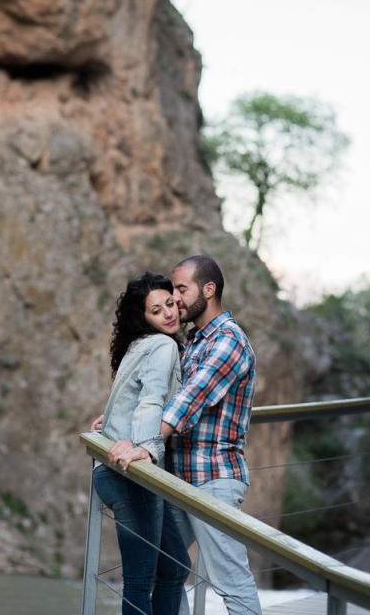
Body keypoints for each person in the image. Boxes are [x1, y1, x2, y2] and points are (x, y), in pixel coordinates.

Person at [159, 255, 262, 615]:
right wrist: (115, 425)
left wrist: (140, 443)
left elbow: (189, 400)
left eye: (181, 289)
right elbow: (165, 396)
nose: (174, 299)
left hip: (213, 479)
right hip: (179, 479)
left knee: (231, 585)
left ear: (209, 289)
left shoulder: (228, 341)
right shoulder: (196, 341)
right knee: (164, 571)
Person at [89, 271, 191, 615]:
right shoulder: (162, 345)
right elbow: (150, 399)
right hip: (132, 472)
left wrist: (113, 423)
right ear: (143, 318)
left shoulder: (141, 344)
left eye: (170, 304)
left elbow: (128, 396)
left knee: (174, 566)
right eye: (156, 310)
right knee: (139, 579)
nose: (168, 314)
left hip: (118, 468)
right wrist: (146, 447)